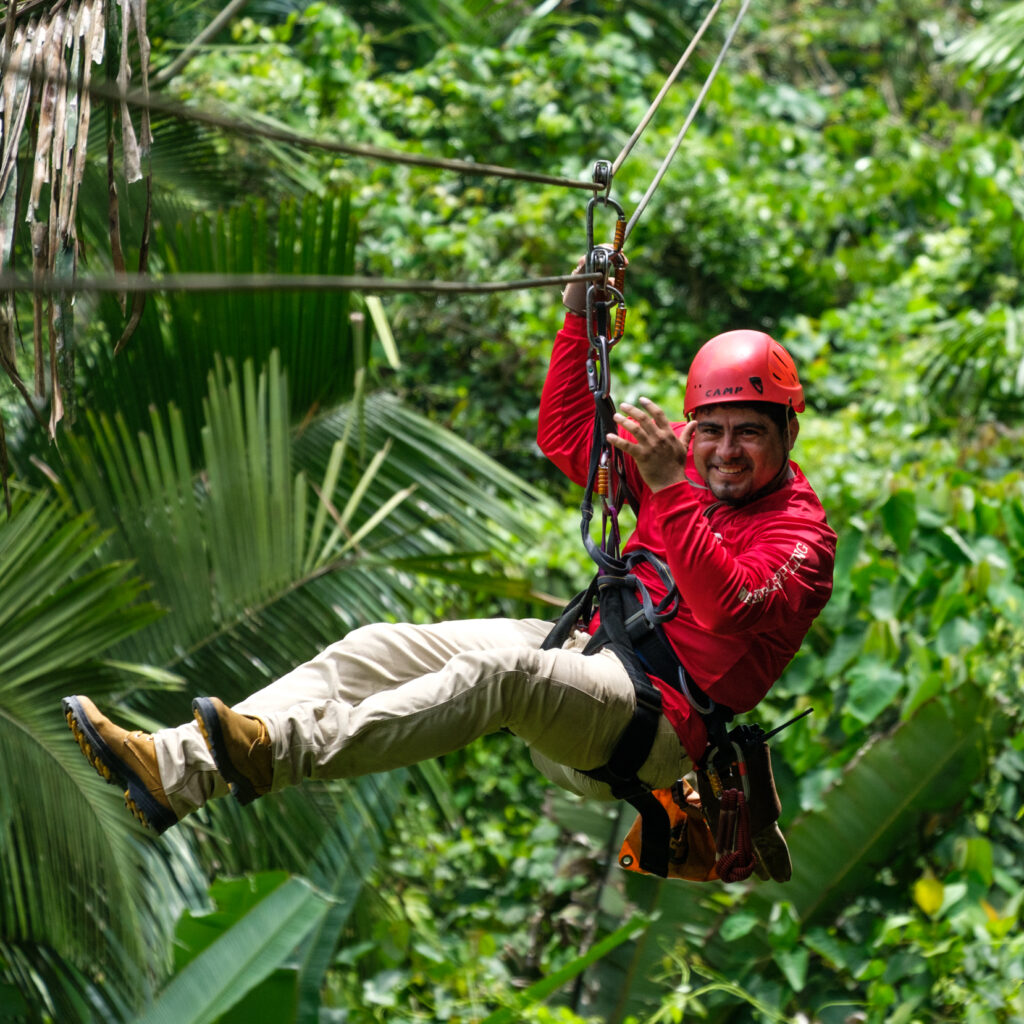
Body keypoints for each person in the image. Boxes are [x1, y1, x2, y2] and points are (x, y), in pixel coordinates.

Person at [63, 273, 836, 878]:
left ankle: (277, 750)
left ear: (787, 434)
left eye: (749, 435)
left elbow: (728, 606)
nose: (726, 451)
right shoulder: (678, 467)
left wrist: (668, 487)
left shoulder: (802, 536)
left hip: (652, 726)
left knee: (499, 674)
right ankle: (172, 771)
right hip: (590, 661)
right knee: (378, 646)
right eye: (713, 432)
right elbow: (569, 433)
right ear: (692, 427)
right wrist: (579, 318)